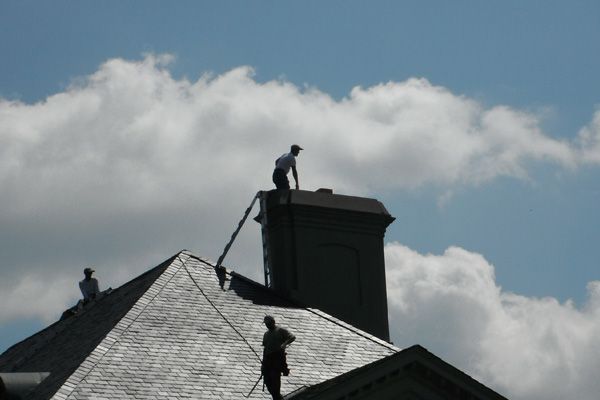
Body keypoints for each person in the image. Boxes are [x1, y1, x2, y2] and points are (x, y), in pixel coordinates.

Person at [261, 315, 295, 400]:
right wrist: (263, 364)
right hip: (268, 361)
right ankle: (277, 398)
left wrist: (284, 344)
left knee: (275, 381)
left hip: (277, 359)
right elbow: (265, 349)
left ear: (273, 322)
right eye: (266, 324)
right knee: (268, 382)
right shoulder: (266, 334)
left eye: (268, 323)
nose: (267, 325)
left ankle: (278, 398)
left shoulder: (280, 330)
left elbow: (292, 337)